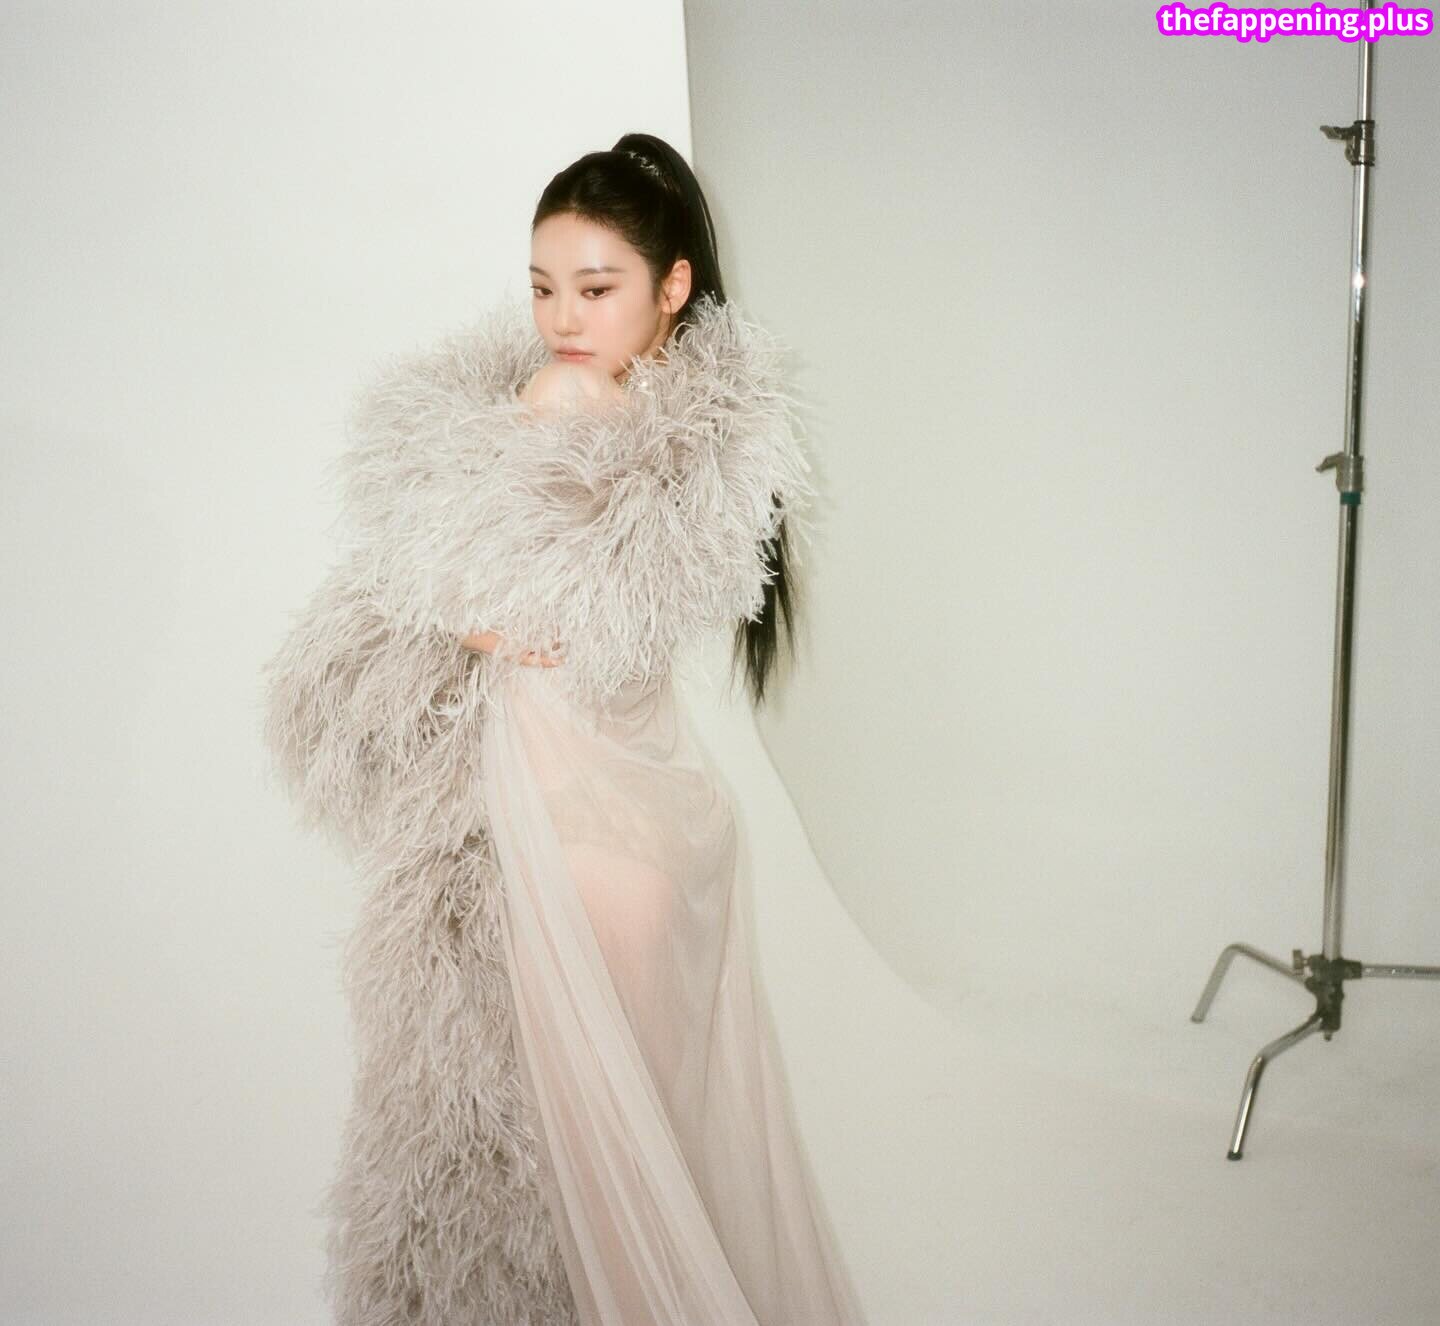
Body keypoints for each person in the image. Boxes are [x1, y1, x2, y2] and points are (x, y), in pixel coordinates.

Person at [261, 132, 866, 1325]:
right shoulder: (700, 443)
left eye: (596, 289)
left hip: (563, 827)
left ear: (673, 286)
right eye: (543, 288)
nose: (562, 322)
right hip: (667, 825)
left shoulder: (561, 398)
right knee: (656, 1149)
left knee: (564, 1175)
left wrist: (457, 622)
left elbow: (488, 602)